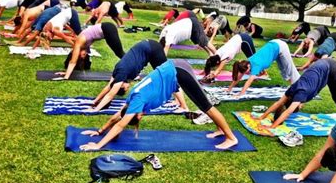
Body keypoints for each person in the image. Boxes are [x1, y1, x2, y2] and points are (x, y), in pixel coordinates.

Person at [79, 59, 239, 150]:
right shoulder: (131, 100)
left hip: (178, 72)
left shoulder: (137, 102)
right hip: (173, 67)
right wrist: (99, 131)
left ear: (135, 112)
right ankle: (220, 130)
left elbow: (121, 124)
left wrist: (98, 145)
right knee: (204, 103)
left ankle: (231, 138)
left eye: (139, 116)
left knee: (206, 107)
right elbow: (117, 117)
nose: (142, 116)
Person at [257, 59, 336, 128]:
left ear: (297, 104)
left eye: (299, 107)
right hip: (322, 65)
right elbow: (278, 103)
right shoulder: (291, 90)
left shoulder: (301, 94)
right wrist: (261, 117)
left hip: (331, 67)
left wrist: (272, 127)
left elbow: (287, 111)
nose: (302, 107)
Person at [89, 40, 168, 111]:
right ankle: (178, 101)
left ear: (121, 85)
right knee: (163, 75)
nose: (128, 87)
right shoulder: (118, 72)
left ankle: (180, 105)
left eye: (126, 88)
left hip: (151, 48)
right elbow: (109, 86)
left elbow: (110, 95)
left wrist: (96, 109)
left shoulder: (121, 75)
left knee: (166, 75)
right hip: (146, 46)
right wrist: (95, 101)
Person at [54, 22, 125, 80]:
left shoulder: (78, 44)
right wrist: (66, 72)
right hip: (106, 30)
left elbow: (72, 61)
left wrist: (66, 76)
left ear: (77, 54)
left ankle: (134, 68)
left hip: (107, 28)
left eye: (81, 57)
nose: (84, 55)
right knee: (119, 53)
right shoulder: (83, 46)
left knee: (119, 53)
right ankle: (133, 67)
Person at [229, 39, 300, 96]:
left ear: (248, 66)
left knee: (290, 69)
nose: (247, 73)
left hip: (280, 46)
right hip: (274, 45)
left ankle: (299, 87)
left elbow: (249, 81)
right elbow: (240, 76)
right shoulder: (247, 62)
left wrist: (242, 93)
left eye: (247, 72)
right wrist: (229, 88)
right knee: (283, 70)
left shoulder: (256, 65)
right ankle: (293, 86)